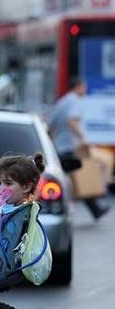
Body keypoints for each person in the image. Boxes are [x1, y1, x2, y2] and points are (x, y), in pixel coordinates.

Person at [49, 78, 109, 219]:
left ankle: (95, 209)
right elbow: (72, 121)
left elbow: (52, 126)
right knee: (78, 176)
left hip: (59, 146)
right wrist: (83, 138)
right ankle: (88, 207)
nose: (85, 91)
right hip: (68, 147)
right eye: (84, 87)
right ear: (78, 87)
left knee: (76, 177)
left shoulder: (62, 102)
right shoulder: (73, 101)